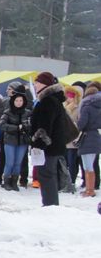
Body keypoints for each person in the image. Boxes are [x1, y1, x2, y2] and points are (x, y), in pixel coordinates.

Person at [30, 72, 72, 206]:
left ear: (44, 84)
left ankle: (50, 206)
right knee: (49, 176)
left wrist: (38, 145)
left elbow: (45, 127)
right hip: (55, 146)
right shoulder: (54, 100)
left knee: (47, 176)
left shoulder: (48, 101)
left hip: (49, 147)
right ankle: (51, 205)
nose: (35, 85)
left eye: (37, 82)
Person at [0, 90, 31, 191]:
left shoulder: (28, 113)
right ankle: (6, 181)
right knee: (10, 162)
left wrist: (26, 127)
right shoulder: (7, 112)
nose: (19, 102)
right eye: (16, 100)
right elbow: (2, 125)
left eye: (21, 100)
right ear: (13, 101)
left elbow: (31, 125)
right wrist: (16, 127)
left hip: (22, 141)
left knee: (18, 162)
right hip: (10, 140)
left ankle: (14, 181)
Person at [76, 82, 101, 197]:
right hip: (96, 136)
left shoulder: (86, 107)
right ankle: (90, 188)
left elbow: (81, 124)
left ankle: (89, 190)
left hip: (87, 137)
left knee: (87, 166)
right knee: (92, 164)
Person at [64, 85, 84, 187]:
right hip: (65, 139)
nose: (69, 98)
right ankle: (66, 180)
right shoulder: (63, 107)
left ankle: (72, 181)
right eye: (67, 95)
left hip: (74, 139)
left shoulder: (79, 108)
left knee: (72, 162)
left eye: (71, 95)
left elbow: (80, 123)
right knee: (65, 162)